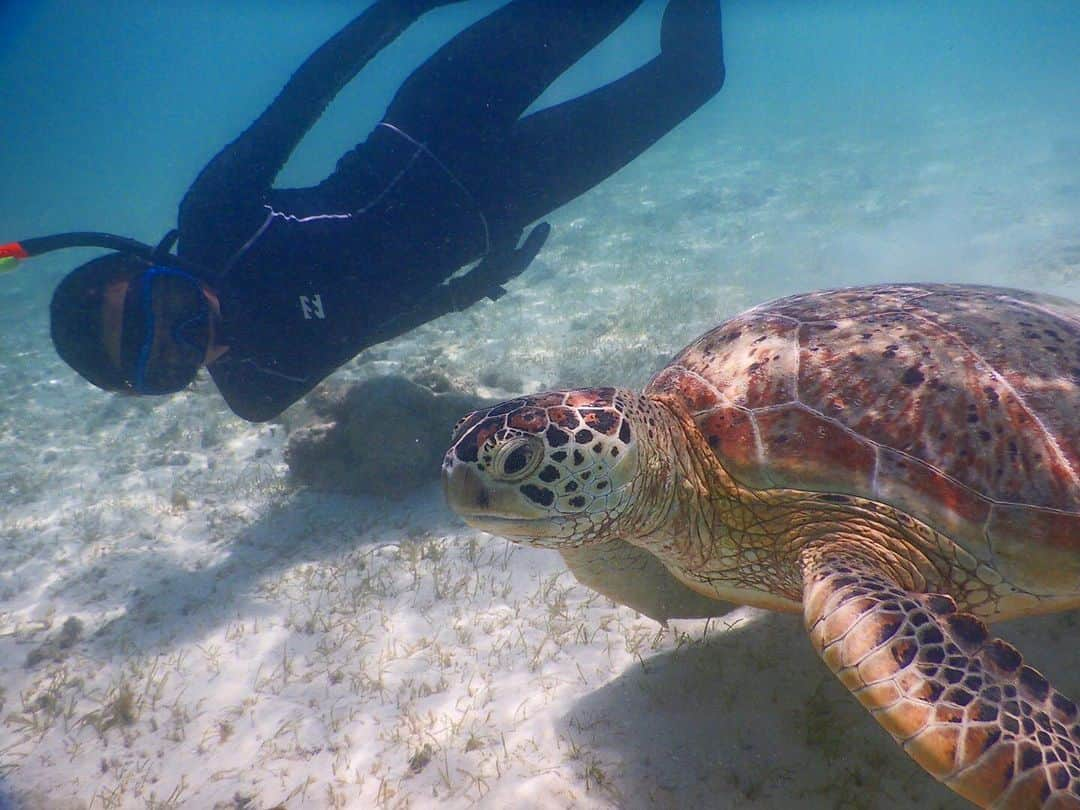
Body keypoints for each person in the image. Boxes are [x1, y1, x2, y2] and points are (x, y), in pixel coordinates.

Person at [0, 0, 724, 422]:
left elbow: (305, 95)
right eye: (169, 359)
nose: (200, 330)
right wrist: (464, 294)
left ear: (153, 264)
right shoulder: (259, 390)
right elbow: (360, 331)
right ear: (153, 388)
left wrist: (399, 8)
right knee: (695, 75)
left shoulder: (215, 217)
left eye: (175, 305)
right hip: (509, 195)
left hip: (442, 113)